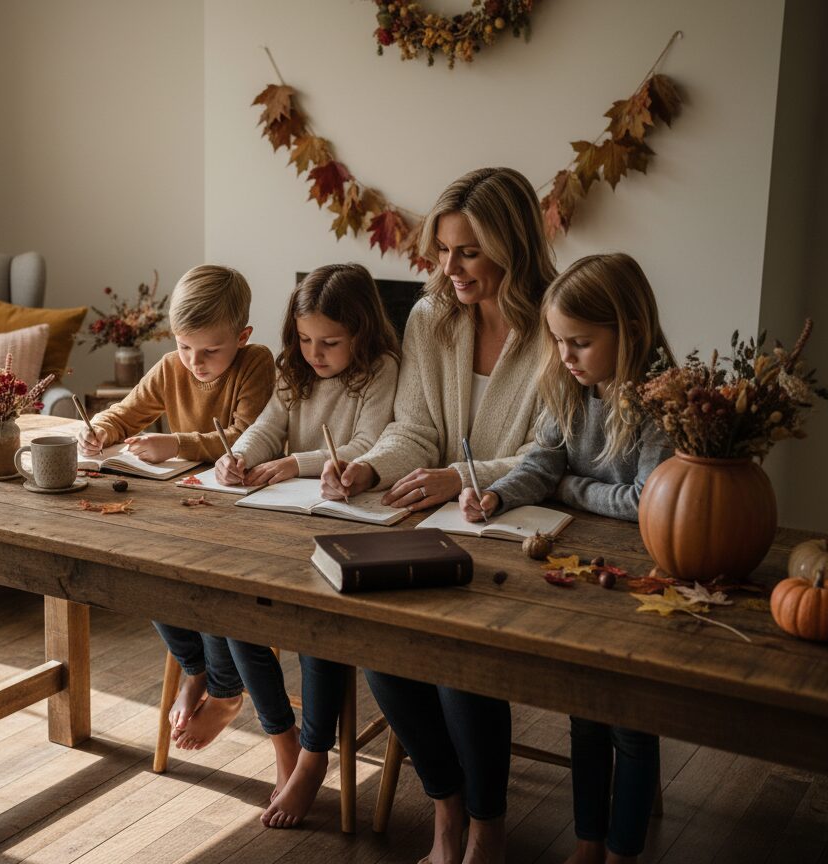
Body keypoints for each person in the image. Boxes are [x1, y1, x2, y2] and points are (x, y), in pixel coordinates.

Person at [322, 167, 557, 864]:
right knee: (381, 640)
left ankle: (486, 829)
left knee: (461, 657)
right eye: (443, 250)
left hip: (525, 526)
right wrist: (368, 467)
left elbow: (550, 455)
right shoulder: (430, 317)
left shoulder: (558, 323)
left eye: (469, 253)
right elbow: (415, 428)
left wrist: (460, 476)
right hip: (444, 525)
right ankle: (446, 810)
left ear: (512, 247)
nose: (448, 269)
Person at [460, 253, 673, 864]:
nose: (566, 357)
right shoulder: (569, 385)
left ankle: (624, 849)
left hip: (644, 578)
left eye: (580, 342)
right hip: (578, 570)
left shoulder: (662, 399)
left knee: (630, 721)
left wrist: (567, 491)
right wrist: (499, 494)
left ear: (627, 332)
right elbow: (544, 462)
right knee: (583, 710)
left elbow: (645, 501)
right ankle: (588, 840)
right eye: (558, 342)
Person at [212, 263, 400, 826]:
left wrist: (297, 461)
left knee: (318, 629)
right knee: (234, 604)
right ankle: (283, 741)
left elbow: (368, 443)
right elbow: (268, 426)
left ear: (361, 333)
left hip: (340, 522)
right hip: (280, 520)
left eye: (330, 342)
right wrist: (239, 454)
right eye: (304, 338)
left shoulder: (382, 370)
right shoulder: (294, 370)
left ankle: (316, 755)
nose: (315, 353)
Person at [79, 264, 275, 750]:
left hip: (243, 511)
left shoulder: (257, 364)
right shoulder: (171, 367)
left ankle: (227, 693)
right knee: (143, 567)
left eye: (211, 350)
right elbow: (125, 411)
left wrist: (177, 444)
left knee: (207, 577)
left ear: (243, 336)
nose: (195, 361)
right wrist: (101, 429)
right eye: (185, 346)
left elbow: (250, 438)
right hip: (187, 505)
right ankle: (197, 669)